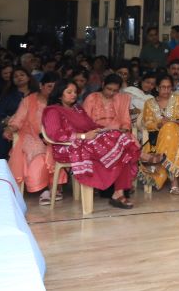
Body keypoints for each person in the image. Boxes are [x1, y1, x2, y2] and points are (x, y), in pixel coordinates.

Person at [42, 79, 141, 209]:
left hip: (86, 142)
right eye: (69, 92)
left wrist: (103, 130)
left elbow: (90, 125)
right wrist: (83, 136)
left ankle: (119, 193)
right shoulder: (53, 111)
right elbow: (54, 134)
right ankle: (141, 159)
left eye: (75, 92)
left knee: (118, 139)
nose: (74, 95)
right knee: (120, 148)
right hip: (67, 147)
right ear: (59, 94)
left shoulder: (77, 109)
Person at [138, 74, 179, 194]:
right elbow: (147, 123)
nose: (166, 90)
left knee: (169, 127)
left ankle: (159, 166)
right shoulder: (149, 103)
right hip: (158, 136)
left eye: (169, 87)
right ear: (157, 88)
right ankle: (174, 181)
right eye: (163, 87)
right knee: (167, 128)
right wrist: (159, 124)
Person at [6, 72, 62, 204]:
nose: (52, 90)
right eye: (49, 86)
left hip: (53, 137)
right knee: (38, 151)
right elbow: (18, 119)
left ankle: (54, 186)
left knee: (55, 149)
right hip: (31, 135)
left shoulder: (58, 102)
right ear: (41, 85)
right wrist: (11, 129)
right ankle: (44, 189)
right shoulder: (29, 100)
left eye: (55, 88)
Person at [0, 66, 36, 160]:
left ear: (28, 77)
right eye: (15, 76)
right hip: (9, 125)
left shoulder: (37, 95)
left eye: (22, 75)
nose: (19, 77)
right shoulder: (7, 96)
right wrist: (5, 120)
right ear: (12, 81)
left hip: (33, 127)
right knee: (2, 137)